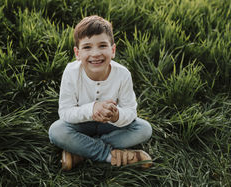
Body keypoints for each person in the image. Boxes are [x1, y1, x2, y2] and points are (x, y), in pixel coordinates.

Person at [48, 15, 153, 171]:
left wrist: (116, 115)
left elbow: (130, 111)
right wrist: (92, 109)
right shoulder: (71, 72)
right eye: (87, 47)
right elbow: (65, 112)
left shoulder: (122, 74)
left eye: (102, 46)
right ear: (77, 53)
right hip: (81, 124)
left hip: (110, 126)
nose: (95, 53)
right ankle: (109, 155)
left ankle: (81, 151)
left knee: (144, 129)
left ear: (113, 50)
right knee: (56, 131)